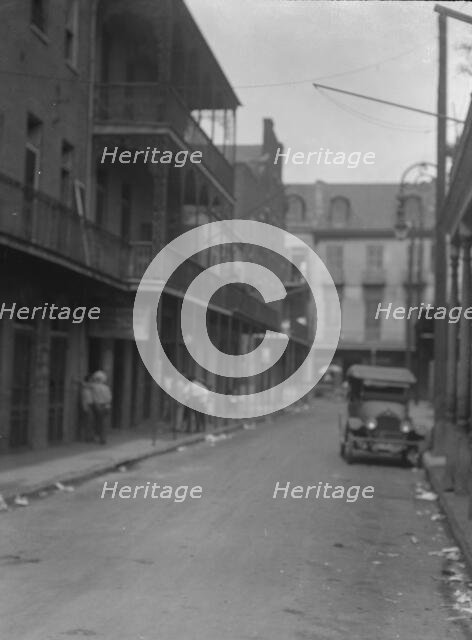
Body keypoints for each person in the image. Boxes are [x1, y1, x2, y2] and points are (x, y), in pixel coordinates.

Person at [89, 370, 112, 445]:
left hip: (97, 405)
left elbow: (85, 385)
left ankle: (95, 437)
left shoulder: (94, 386)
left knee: (96, 422)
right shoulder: (106, 388)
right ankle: (103, 438)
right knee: (104, 423)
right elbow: (109, 398)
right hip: (106, 406)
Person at [80, 375, 94, 442]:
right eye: (91, 379)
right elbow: (83, 383)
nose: (92, 380)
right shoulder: (85, 388)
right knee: (88, 422)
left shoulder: (88, 387)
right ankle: (87, 438)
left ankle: (89, 437)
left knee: (90, 422)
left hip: (90, 405)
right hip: (87, 406)